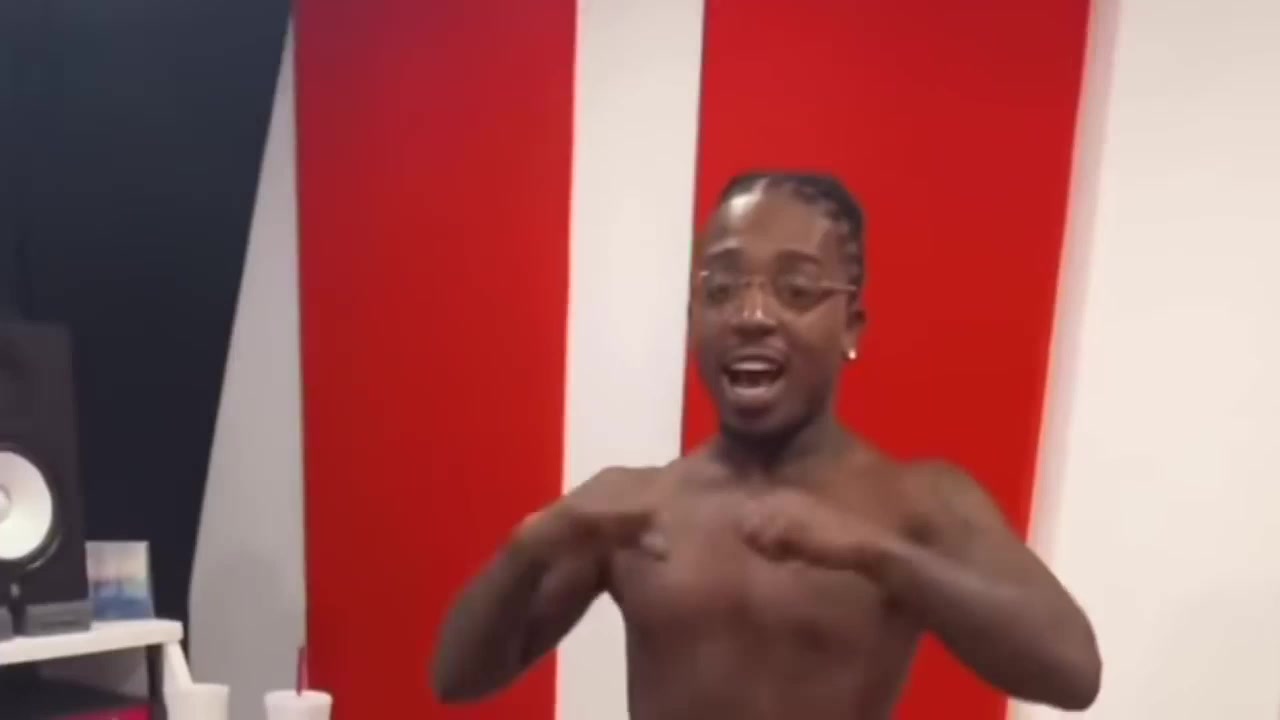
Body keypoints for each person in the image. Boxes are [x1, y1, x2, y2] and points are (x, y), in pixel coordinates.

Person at [430, 172, 1101, 719]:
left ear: (851, 325)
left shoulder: (916, 501)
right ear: (695, 319)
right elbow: (457, 679)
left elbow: (1072, 673)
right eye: (721, 290)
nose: (752, 316)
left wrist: (881, 557)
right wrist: (526, 550)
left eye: (796, 290)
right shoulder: (633, 508)